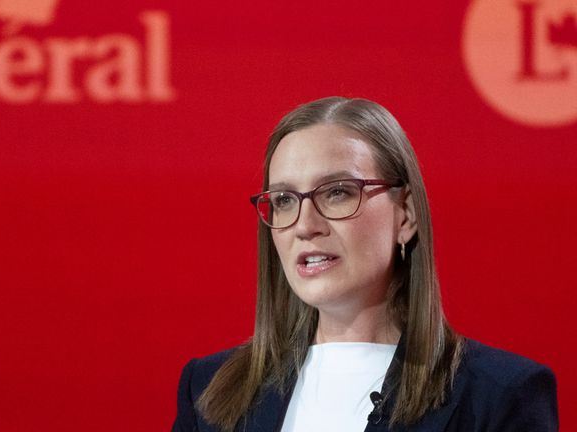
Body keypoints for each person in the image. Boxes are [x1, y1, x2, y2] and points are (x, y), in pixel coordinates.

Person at [171, 97, 558, 432]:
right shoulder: (207, 390)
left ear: (405, 214)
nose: (305, 225)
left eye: (338, 192)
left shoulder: (500, 394)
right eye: (285, 199)